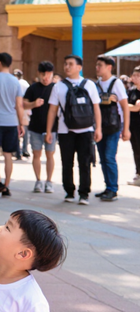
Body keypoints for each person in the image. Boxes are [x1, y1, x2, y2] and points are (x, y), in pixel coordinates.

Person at [45, 55, 101, 205]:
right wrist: (49, 131)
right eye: (65, 64)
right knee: (67, 163)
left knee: (85, 163)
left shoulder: (89, 85)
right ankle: (69, 191)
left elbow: (96, 108)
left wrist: (98, 128)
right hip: (65, 131)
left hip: (86, 130)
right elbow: (52, 110)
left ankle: (84, 193)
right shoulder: (58, 86)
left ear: (79, 67)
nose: (67, 67)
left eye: (70, 64)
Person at [0, 53, 25, 198]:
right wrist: (21, 123)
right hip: (11, 122)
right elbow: (19, 105)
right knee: (8, 155)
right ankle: (7, 186)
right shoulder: (15, 81)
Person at [94, 55, 130, 202]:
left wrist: (126, 129)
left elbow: (125, 106)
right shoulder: (96, 84)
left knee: (109, 157)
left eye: (100, 65)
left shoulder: (116, 83)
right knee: (103, 158)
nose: (97, 68)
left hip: (114, 126)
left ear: (109, 67)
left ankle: (113, 189)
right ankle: (108, 187)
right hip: (100, 127)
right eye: (96, 65)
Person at [23, 61, 56, 193]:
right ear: (38, 74)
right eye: (43, 74)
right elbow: (24, 104)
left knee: (50, 154)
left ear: (52, 74)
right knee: (36, 154)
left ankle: (49, 181)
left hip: (53, 128)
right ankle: (38, 180)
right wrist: (33, 104)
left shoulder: (56, 88)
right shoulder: (33, 88)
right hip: (35, 127)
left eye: (48, 74)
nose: (46, 77)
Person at [127, 65, 140, 186]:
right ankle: (138, 174)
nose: (134, 78)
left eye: (138, 75)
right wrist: (134, 107)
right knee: (136, 149)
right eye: (134, 75)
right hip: (134, 125)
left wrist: (134, 107)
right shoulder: (131, 92)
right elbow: (125, 105)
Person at [14, 69, 30, 159]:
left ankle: (17, 151)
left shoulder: (14, 83)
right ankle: (24, 149)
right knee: (25, 131)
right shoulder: (25, 84)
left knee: (17, 131)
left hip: (15, 109)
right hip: (24, 109)